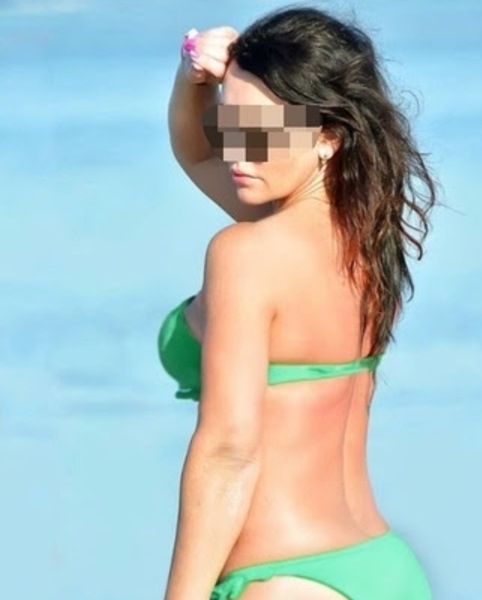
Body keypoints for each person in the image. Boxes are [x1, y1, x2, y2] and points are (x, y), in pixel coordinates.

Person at [158, 6, 438, 599]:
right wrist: (194, 78)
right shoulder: (365, 242)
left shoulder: (247, 254)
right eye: (228, 121)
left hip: (284, 581)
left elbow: (229, 452)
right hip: (382, 570)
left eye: (259, 127)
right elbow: (198, 152)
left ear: (327, 136)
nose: (236, 148)